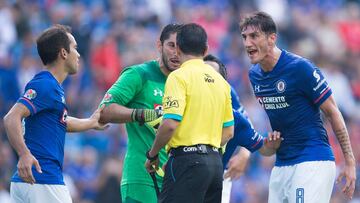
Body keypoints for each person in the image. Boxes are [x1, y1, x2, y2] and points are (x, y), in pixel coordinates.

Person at [240, 11, 356, 202]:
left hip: (312, 160)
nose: (247, 43)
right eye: (244, 37)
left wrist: (349, 163)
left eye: (254, 36)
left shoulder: (300, 68)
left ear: (272, 39)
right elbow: (282, 122)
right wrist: (270, 144)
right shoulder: (255, 76)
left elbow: (333, 112)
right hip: (282, 164)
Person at [3, 24, 107, 203]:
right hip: (43, 180)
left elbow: (62, 121)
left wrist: (91, 122)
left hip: (29, 182)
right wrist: (24, 154)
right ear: (63, 53)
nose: (79, 54)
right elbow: (11, 117)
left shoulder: (52, 88)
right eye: (75, 48)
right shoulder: (45, 85)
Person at [144, 22, 234, 203]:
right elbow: (229, 132)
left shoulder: (178, 76)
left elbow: (169, 124)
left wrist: (153, 155)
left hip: (186, 161)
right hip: (215, 165)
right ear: (206, 48)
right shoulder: (222, 82)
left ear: (177, 48)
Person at [98, 23, 183, 203]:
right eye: (171, 45)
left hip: (175, 179)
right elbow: (104, 110)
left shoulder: (185, 82)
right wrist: (141, 114)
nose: (176, 53)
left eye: (181, 47)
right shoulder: (139, 74)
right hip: (142, 177)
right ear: (159, 45)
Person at [204, 54, 282, 203]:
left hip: (218, 176)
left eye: (211, 77)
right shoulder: (182, 99)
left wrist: (245, 154)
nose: (206, 81)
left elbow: (248, 132)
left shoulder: (231, 104)